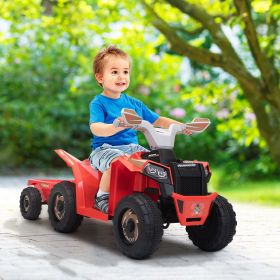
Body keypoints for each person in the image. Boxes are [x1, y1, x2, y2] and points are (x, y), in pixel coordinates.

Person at [89, 45, 191, 214]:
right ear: (100, 77)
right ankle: (102, 196)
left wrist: (181, 126)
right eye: (114, 72)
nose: (121, 76)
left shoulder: (134, 104)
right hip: (105, 149)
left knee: (158, 162)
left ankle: (159, 196)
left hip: (132, 149)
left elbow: (158, 120)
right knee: (117, 162)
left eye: (125, 72)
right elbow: (96, 128)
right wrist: (116, 125)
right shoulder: (98, 103)